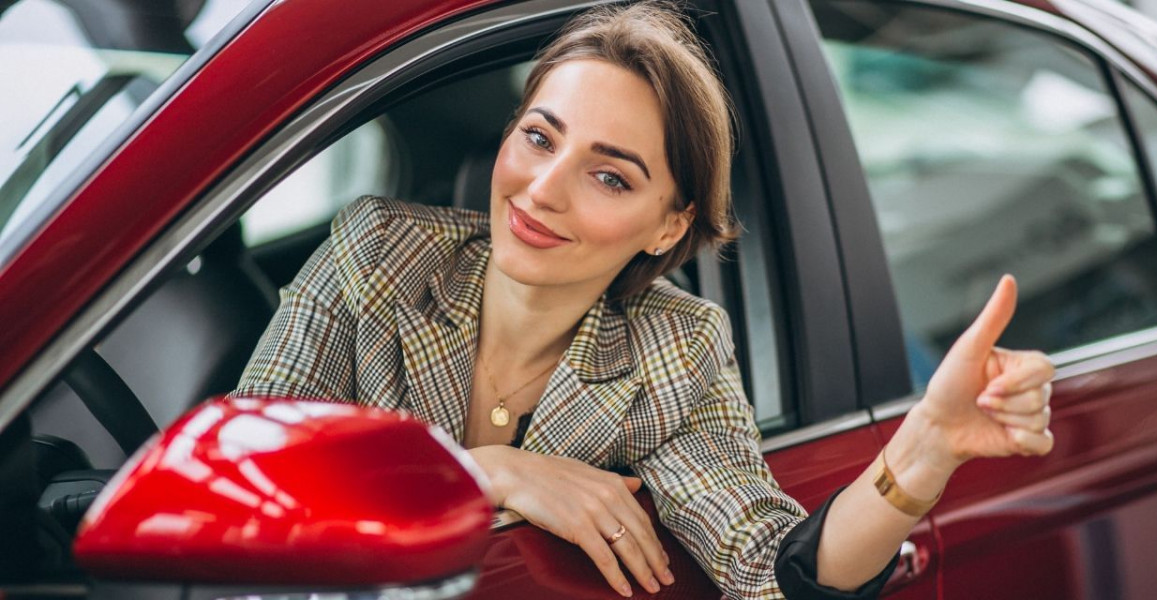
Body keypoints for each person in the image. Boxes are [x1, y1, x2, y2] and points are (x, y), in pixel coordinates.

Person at [234, 2, 1055, 599]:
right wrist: (485, 473)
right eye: (539, 136)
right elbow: (242, 481)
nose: (541, 191)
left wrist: (922, 455)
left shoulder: (677, 351)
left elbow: (771, 569)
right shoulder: (378, 251)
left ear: (668, 225)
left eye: (609, 174)